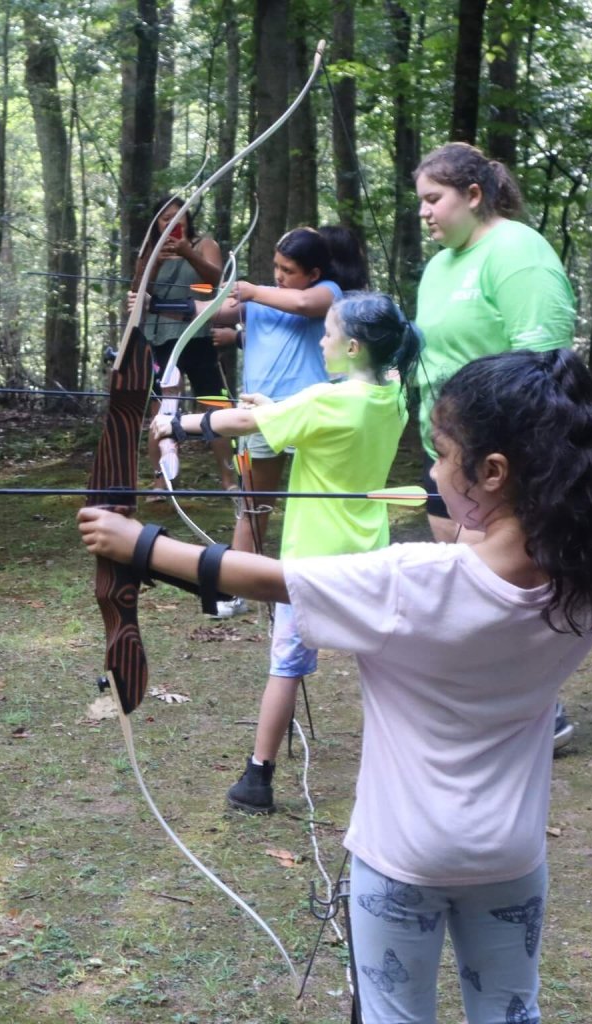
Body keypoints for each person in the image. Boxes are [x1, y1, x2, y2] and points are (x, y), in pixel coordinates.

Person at [79, 347, 592, 1024]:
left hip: (403, 857)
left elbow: (271, 579)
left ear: (494, 472)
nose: (432, 471)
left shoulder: (413, 581)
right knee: (511, 1013)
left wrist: (138, 544)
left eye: (443, 455)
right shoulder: (583, 581)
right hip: (511, 855)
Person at [155, 291, 421, 813]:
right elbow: (320, 430)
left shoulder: (327, 398)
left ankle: (257, 779)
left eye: (328, 333)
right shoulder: (394, 394)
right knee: (383, 662)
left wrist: (177, 425)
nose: (321, 341)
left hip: (312, 560)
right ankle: (412, 761)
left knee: (287, 665)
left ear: (352, 347)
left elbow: (242, 426)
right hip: (367, 552)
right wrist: (276, 410)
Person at [414, 141, 578, 748]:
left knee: (504, 578)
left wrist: (500, 454)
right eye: (420, 201)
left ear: (474, 194)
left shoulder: (517, 251)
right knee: (464, 575)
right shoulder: (438, 266)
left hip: (499, 457)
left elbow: (543, 363)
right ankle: (487, 695)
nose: (424, 212)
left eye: (434, 199)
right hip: (447, 450)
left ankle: (538, 708)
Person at [208, 227, 368, 618]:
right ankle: (236, 590)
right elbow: (211, 311)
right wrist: (156, 303)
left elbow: (300, 303)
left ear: (314, 271)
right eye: (276, 267)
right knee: (253, 503)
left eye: (288, 269)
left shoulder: (328, 292)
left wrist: (251, 291)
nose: (278, 275)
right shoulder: (263, 295)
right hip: (263, 412)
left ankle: (336, 583)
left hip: (313, 411)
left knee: (325, 500)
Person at [133, 196, 234, 496]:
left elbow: (217, 282)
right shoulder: (150, 251)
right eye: (165, 218)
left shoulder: (204, 245)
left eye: (179, 216)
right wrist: (154, 263)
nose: (173, 223)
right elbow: (137, 293)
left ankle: (229, 479)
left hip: (198, 335)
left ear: (188, 218)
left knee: (215, 404)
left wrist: (188, 253)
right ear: (156, 224)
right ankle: (162, 480)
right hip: (160, 338)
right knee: (162, 409)